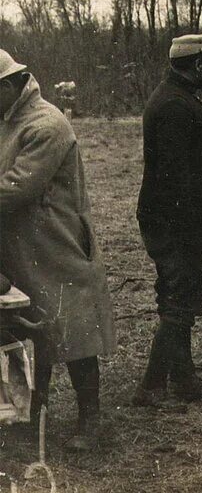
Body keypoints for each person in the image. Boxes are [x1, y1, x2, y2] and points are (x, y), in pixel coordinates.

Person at [0, 50, 115, 451]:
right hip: (20, 244)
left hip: (56, 241)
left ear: (11, 86)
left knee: (74, 328)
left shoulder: (47, 123)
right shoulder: (8, 120)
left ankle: (91, 419)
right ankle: (34, 413)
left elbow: (18, 186)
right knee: (29, 329)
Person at [134, 34, 202, 406]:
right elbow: (176, 176)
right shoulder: (174, 105)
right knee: (184, 293)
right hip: (174, 218)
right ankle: (152, 386)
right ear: (198, 65)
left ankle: (183, 378)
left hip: (171, 215)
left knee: (181, 292)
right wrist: (194, 220)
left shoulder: (176, 97)